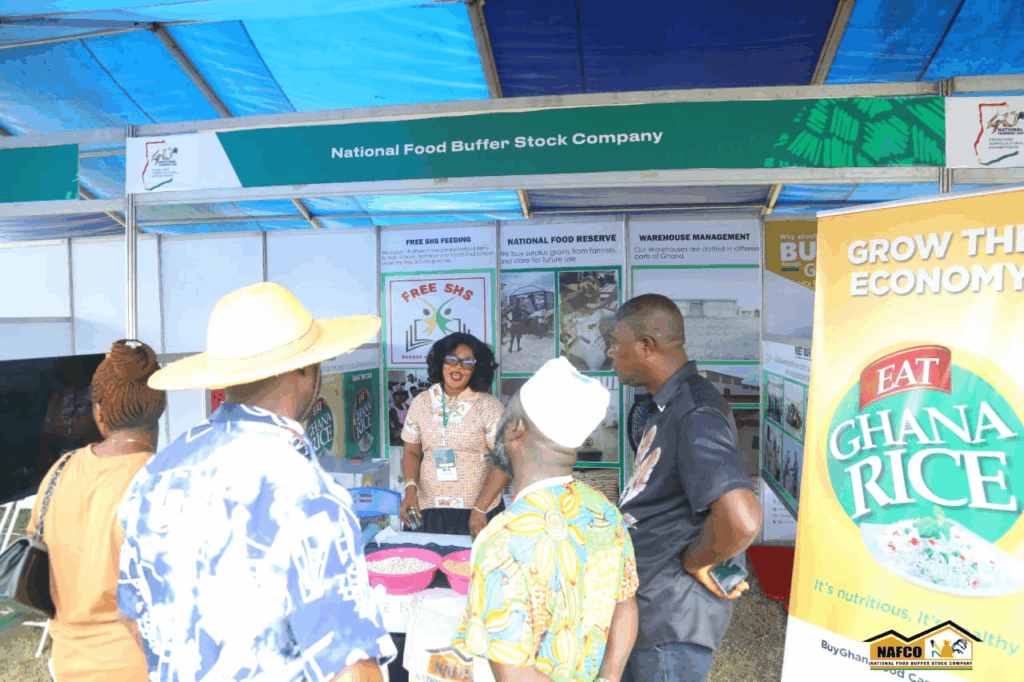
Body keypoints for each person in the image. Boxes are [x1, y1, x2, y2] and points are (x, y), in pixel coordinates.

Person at [116, 282, 396, 682]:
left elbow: (130, 614)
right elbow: (349, 667)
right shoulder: (307, 493)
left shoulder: (157, 475)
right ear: (307, 369)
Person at [452, 357, 639, 682]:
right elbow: (626, 605)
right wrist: (609, 678)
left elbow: (515, 674)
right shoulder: (604, 510)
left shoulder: (502, 540)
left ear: (516, 429)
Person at [607, 294, 762, 682]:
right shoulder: (668, 403)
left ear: (646, 346)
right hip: (651, 607)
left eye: (614, 342)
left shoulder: (695, 412)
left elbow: (741, 518)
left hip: (671, 619)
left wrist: (699, 561)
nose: (609, 353)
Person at [27, 340, 166, 681]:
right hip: (139, 669)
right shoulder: (162, 481)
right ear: (159, 405)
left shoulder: (61, 470)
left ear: (99, 412)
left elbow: (37, 547)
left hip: (67, 665)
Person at [399, 332, 507, 539]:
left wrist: (481, 508)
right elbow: (411, 451)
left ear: (476, 369)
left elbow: (504, 461)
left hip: (477, 511)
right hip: (425, 507)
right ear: (441, 362)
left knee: (474, 568)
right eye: (452, 360)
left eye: (467, 363)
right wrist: (410, 492)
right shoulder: (421, 402)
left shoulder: (490, 407)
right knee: (422, 562)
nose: (458, 367)